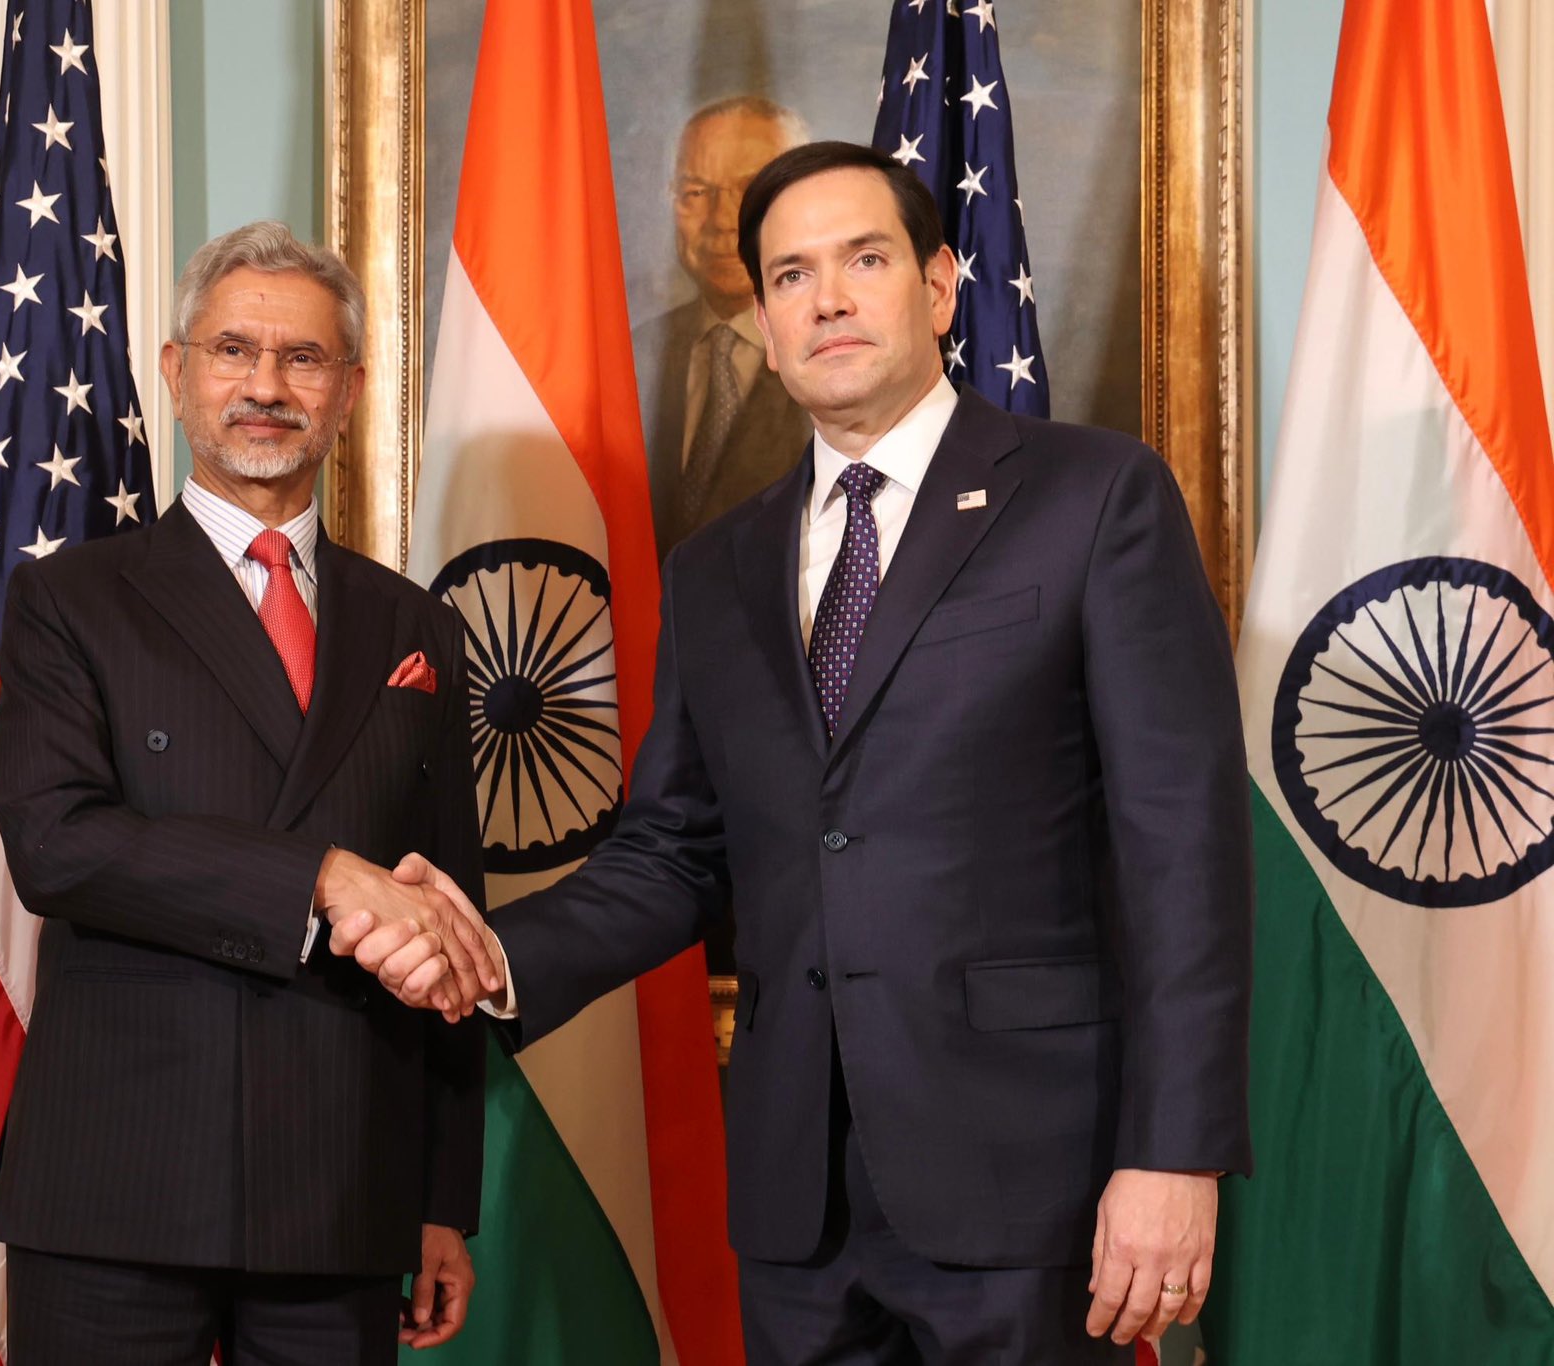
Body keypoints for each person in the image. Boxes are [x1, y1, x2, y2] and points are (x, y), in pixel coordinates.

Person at [408, 142, 1254, 1364]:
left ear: (939, 285)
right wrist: (490, 955)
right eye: (790, 275)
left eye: (862, 259)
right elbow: (676, 849)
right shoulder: (716, 567)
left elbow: (1180, 846)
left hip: (1029, 1179)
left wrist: (1172, 1150)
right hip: (795, 1197)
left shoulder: (1091, 498)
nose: (829, 299)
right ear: (759, 318)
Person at [0, 220, 502, 1366]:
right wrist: (316, 876)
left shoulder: (415, 623)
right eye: (232, 351)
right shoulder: (73, 600)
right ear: (176, 375)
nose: (265, 386)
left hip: (344, 1188)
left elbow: (446, 917)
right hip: (117, 1184)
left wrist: (438, 1195)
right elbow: (57, 844)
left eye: (302, 359)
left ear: (349, 391)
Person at [636, 95, 813, 555]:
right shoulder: (628, 357)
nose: (720, 220)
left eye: (749, 188)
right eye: (696, 193)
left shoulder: (839, 350)